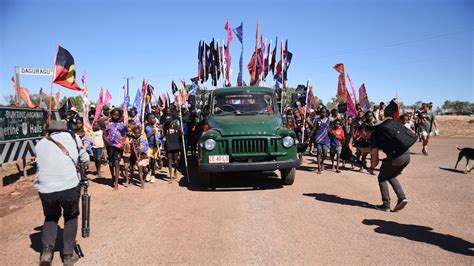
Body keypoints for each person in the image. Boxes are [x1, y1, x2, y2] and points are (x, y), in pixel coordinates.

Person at [34, 120, 89, 265]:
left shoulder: (41, 143)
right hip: (68, 187)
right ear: (66, 129)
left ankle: (46, 253)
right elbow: (85, 159)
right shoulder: (73, 138)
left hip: (45, 189)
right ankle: (68, 255)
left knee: (51, 217)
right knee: (71, 217)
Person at [367, 104, 410, 212]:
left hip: (396, 158)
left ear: (368, 130)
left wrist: (371, 167)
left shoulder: (374, 136)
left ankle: (386, 204)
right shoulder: (387, 129)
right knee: (390, 175)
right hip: (407, 156)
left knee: (382, 177)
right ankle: (402, 197)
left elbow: (375, 159)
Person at [104, 108, 127, 190]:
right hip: (110, 146)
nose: (115, 116)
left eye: (117, 115)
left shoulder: (122, 124)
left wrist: (123, 144)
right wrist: (107, 141)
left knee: (117, 163)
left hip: (118, 146)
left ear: (120, 115)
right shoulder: (108, 123)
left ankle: (116, 183)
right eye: (114, 114)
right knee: (111, 164)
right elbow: (104, 134)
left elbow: (124, 135)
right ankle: (113, 177)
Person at [145, 113, 162, 183]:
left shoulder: (157, 126)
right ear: (148, 120)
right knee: (148, 160)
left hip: (156, 146)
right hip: (149, 145)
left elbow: (161, 136)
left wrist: (160, 141)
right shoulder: (146, 127)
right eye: (152, 118)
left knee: (153, 161)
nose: (154, 119)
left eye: (154, 118)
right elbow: (145, 137)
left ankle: (153, 175)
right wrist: (151, 133)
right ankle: (148, 172)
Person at [163, 115, 181, 182]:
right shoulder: (165, 127)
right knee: (169, 161)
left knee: (175, 162)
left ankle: (175, 170)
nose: (168, 123)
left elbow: (180, 135)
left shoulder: (176, 127)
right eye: (167, 122)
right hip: (168, 146)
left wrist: (180, 132)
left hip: (175, 145)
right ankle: (170, 177)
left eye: (169, 122)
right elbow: (164, 135)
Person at [313, 108, 330, 174]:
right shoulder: (317, 120)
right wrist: (309, 137)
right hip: (318, 138)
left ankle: (322, 162)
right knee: (319, 152)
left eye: (324, 112)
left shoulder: (328, 120)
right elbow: (314, 129)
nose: (323, 113)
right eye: (322, 112)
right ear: (320, 113)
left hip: (325, 138)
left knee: (325, 154)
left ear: (326, 113)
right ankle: (319, 168)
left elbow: (329, 128)